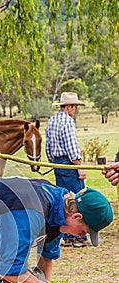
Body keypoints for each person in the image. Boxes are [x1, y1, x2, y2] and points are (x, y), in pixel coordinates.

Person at [45, 91, 90, 248]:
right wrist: (79, 167)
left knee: (62, 199)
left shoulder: (52, 121)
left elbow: (48, 146)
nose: (75, 110)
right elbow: (72, 148)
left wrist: (53, 162)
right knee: (77, 198)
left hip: (58, 163)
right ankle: (79, 236)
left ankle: (66, 235)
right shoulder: (68, 122)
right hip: (69, 163)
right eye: (75, 107)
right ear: (69, 106)